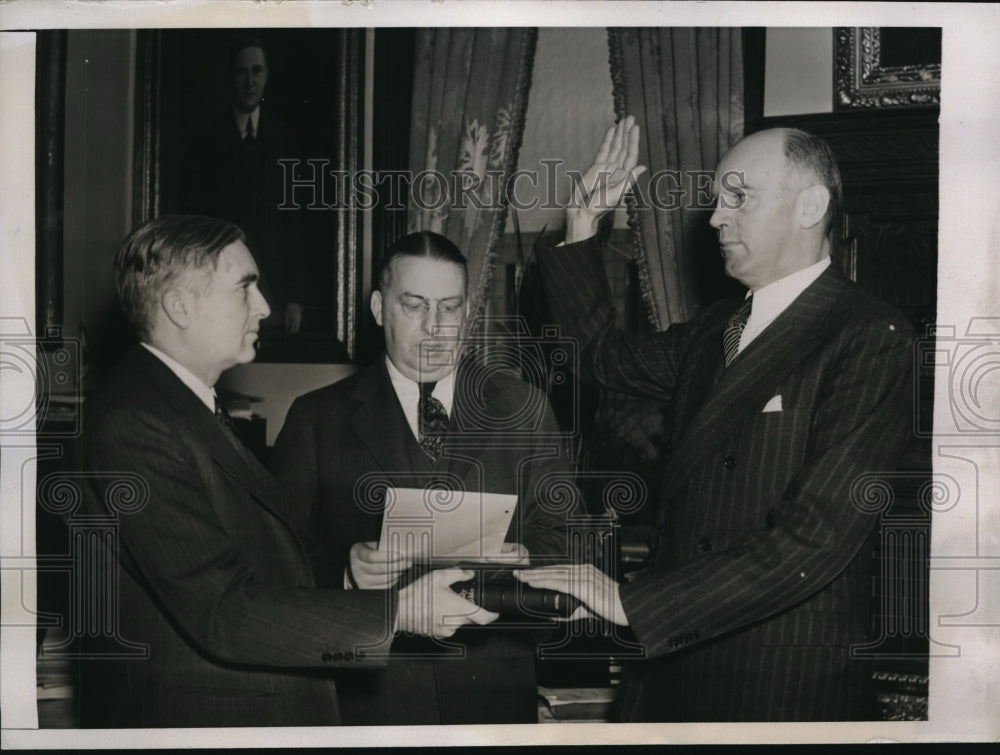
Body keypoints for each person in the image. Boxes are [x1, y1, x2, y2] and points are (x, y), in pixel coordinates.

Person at [515, 117, 915, 721]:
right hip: (673, 667)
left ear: (810, 207)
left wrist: (636, 605)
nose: (715, 218)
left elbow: (816, 537)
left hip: (776, 684)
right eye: (717, 199)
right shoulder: (714, 330)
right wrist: (583, 223)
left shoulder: (869, 335)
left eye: (739, 197)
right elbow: (597, 356)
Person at [75, 215, 495, 728]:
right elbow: (222, 608)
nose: (265, 307)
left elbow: (270, 557)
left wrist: (346, 572)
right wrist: (397, 612)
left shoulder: (179, 406)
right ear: (179, 307)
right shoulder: (135, 424)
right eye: (244, 288)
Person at [270, 231, 575, 725]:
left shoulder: (524, 408)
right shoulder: (316, 418)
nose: (435, 327)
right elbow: (274, 558)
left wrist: (523, 555)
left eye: (449, 308)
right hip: (368, 697)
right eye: (414, 306)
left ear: (467, 312)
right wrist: (344, 570)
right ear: (378, 307)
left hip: (492, 691)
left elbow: (567, 538)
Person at [176, 36, 305, 333]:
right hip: (222, 285)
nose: (250, 82)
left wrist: (295, 298)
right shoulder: (205, 142)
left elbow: (295, 225)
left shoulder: (285, 140)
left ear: (267, 75)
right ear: (230, 77)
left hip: (275, 291)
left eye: (257, 71)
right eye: (241, 72)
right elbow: (191, 228)